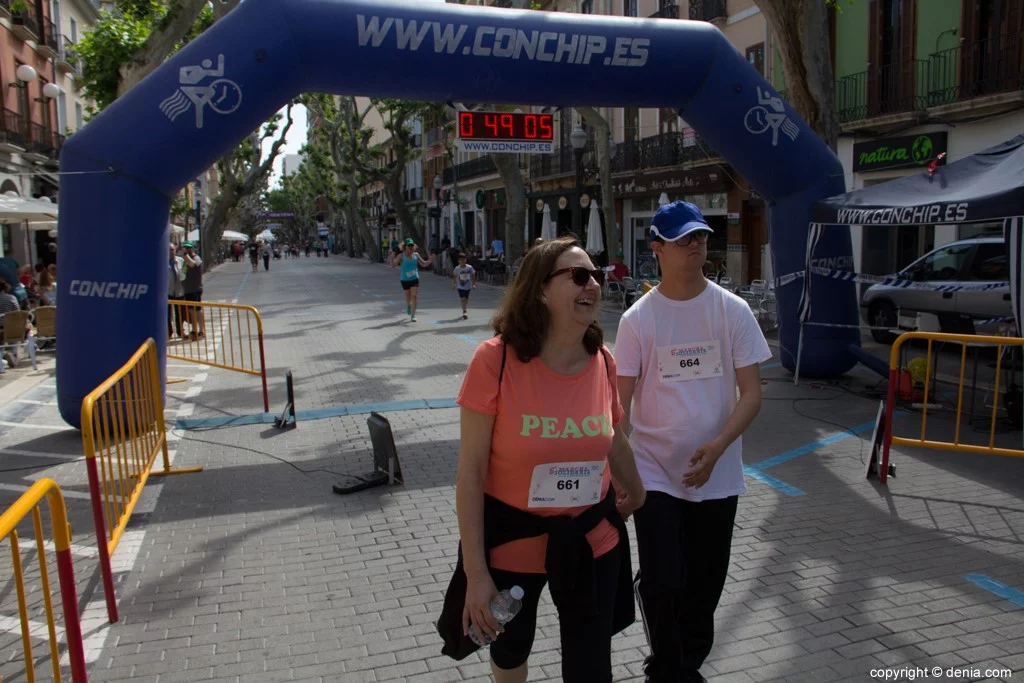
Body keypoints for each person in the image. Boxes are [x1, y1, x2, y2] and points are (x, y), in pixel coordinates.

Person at [438, 236, 647, 683]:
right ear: (539, 289)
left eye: (595, 274)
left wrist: (638, 491)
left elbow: (613, 439)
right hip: (514, 542)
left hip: (590, 539)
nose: (592, 284)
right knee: (511, 652)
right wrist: (476, 574)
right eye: (577, 275)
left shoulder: (604, 363)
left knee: (591, 662)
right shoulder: (495, 360)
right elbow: (470, 475)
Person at [613, 201, 771, 683]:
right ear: (657, 247)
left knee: (705, 583)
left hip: (717, 474)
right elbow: (616, 411)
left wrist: (719, 445)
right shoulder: (638, 319)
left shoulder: (732, 310)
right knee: (663, 579)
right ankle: (670, 667)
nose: (696, 245)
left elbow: (753, 393)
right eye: (684, 239)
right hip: (655, 471)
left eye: (701, 236)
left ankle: (686, 662)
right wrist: (619, 476)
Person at [390, 238, 433, 322]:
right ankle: (409, 305)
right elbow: (393, 265)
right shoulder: (401, 256)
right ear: (405, 246)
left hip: (414, 278)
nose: (410, 247)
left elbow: (423, 264)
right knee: (407, 297)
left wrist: (430, 260)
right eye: (408, 245)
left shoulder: (416, 255)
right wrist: (391, 258)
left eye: (411, 245)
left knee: (414, 296)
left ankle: (413, 315)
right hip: (405, 279)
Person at [180, 241, 205, 340]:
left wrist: (186, 255)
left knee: (197, 311)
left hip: (195, 288)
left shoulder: (196, 258)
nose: (187, 249)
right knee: (191, 311)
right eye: (185, 248)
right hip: (187, 290)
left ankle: (201, 331)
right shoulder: (184, 261)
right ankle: (194, 330)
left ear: (192, 248)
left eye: (188, 248)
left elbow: (192, 264)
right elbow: (183, 274)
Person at [451, 252, 476, 319]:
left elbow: (473, 275)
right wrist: (454, 284)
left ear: (466, 260)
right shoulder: (457, 268)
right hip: (460, 286)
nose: (462, 261)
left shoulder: (469, 267)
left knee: (466, 299)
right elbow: (454, 276)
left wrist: (473, 284)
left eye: (463, 259)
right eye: (460, 260)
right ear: (458, 261)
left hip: (468, 286)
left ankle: (465, 308)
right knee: (463, 298)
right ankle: (464, 311)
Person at [168, 243, 185, 338]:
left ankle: (180, 331)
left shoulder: (180, 260)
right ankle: (168, 332)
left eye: (172, 249)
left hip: (179, 291)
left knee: (179, 313)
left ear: (175, 250)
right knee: (168, 314)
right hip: (168, 291)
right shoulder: (162, 261)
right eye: (169, 250)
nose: (171, 252)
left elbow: (184, 274)